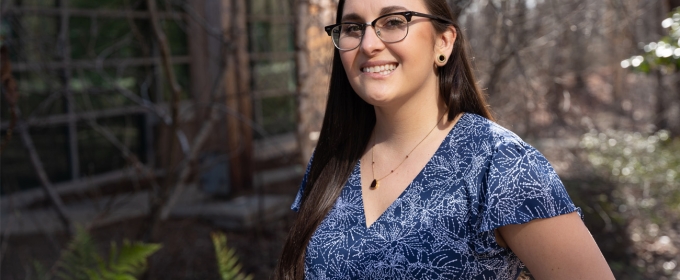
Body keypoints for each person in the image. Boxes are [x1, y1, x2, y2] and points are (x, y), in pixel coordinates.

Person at [276, 0, 615, 279]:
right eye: (352, 28)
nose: (368, 44)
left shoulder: (501, 164)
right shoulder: (333, 159)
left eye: (394, 22)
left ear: (444, 42)